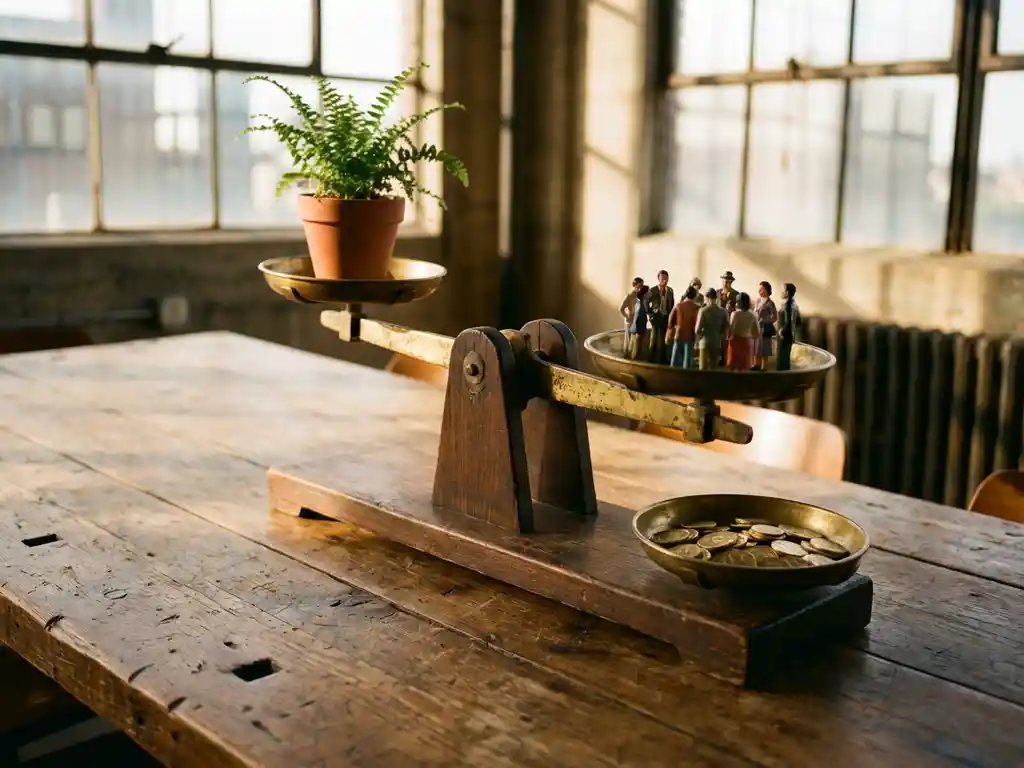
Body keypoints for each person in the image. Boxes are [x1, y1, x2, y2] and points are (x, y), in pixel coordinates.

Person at [644, 270, 674, 365]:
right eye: (662, 278)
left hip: (665, 316)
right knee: (654, 338)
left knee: (664, 339)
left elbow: (672, 302)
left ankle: (663, 359)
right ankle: (651, 359)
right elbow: (645, 302)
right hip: (656, 317)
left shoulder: (670, 290)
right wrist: (650, 314)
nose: (664, 280)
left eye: (666, 278)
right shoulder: (653, 290)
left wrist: (670, 313)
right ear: (659, 279)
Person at [695, 288, 728, 371]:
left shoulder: (703, 311)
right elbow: (726, 326)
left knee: (703, 369)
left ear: (707, 297)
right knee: (713, 369)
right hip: (716, 342)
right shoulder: (723, 311)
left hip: (704, 342)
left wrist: (698, 339)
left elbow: (697, 329)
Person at [668, 286, 701, 368]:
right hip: (690, 337)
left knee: (674, 362)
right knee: (687, 363)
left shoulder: (678, 306)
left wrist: (670, 330)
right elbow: (698, 323)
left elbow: (670, 320)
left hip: (678, 335)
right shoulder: (697, 308)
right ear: (695, 296)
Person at [727, 292, 758, 371]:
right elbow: (756, 332)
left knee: (735, 367)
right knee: (746, 366)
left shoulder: (735, 314)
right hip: (747, 342)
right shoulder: (753, 315)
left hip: (736, 342)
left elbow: (731, 330)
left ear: (738, 303)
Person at [753, 280, 779, 371]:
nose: (759, 291)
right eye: (759, 289)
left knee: (765, 347)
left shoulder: (770, 303)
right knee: (756, 346)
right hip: (757, 327)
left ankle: (764, 366)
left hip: (765, 328)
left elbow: (774, 316)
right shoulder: (757, 301)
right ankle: (756, 364)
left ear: (767, 290)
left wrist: (764, 320)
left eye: (762, 289)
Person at [776, 282, 801, 371]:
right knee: (786, 358)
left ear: (787, 292)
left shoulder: (787, 306)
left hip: (784, 336)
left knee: (782, 359)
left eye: (782, 291)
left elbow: (788, 322)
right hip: (790, 336)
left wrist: (781, 331)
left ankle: (781, 378)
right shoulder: (795, 306)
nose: (781, 293)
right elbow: (798, 322)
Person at [618, 276, 644, 356]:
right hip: (630, 321)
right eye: (639, 286)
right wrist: (627, 317)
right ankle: (627, 355)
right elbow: (621, 308)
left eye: (641, 286)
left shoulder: (640, 297)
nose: (640, 288)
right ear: (635, 285)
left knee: (635, 342)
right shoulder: (629, 296)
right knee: (628, 340)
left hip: (637, 320)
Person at [629, 284, 651, 361]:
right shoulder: (644, 301)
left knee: (638, 344)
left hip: (639, 323)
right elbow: (647, 311)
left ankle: (636, 358)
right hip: (640, 324)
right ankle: (636, 360)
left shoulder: (639, 301)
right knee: (638, 345)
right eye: (649, 291)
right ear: (645, 293)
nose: (650, 293)